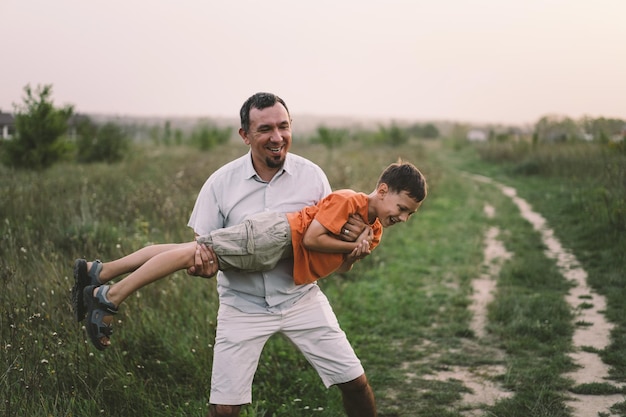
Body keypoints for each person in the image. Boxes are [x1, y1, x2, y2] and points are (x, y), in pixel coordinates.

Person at [73, 92, 405, 417]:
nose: (277, 137)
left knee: (356, 383)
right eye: (265, 130)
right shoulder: (221, 183)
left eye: (284, 126)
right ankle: (105, 288)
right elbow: (198, 249)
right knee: (224, 408)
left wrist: (354, 252)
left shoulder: (313, 175)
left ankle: (99, 275)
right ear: (245, 135)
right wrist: (202, 267)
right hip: (242, 304)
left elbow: (329, 242)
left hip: (300, 299)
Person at [75, 160, 427, 350]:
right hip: (274, 236)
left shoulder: (375, 230)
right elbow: (314, 239)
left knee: (181, 250)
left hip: (273, 250)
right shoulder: (349, 200)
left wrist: (356, 255)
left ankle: (99, 271)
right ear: (382, 191)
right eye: (402, 207)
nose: (404, 218)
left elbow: (341, 267)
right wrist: (351, 245)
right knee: (192, 253)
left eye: (409, 214)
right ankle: (109, 296)